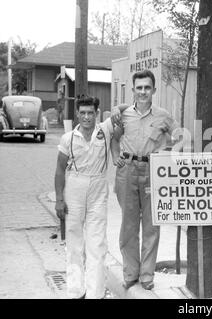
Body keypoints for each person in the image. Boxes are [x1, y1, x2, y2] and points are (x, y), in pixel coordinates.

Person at [111, 69, 181, 291]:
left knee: (152, 225)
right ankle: (131, 273)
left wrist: (169, 158)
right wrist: (115, 158)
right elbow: (114, 138)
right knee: (129, 226)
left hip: (153, 171)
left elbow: (182, 137)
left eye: (147, 88)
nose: (143, 92)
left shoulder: (163, 115)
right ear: (133, 90)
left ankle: (147, 275)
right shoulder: (122, 115)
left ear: (154, 90)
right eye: (139, 88)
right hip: (127, 170)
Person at [54, 95, 115, 299]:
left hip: (98, 187)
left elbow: (123, 109)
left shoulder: (105, 131)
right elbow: (60, 170)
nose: (87, 117)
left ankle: (95, 293)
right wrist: (59, 199)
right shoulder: (68, 138)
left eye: (91, 113)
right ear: (77, 114)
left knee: (97, 243)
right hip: (75, 187)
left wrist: (116, 110)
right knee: (74, 242)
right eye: (83, 113)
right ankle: (76, 290)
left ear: (97, 114)